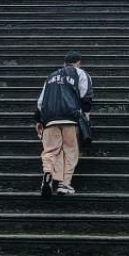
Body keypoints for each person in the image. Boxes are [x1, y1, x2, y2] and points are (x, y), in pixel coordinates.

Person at [34, 50, 94, 197]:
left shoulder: (50, 77)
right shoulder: (80, 73)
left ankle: (48, 173)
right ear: (78, 62)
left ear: (64, 63)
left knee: (50, 151)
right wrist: (86, 116)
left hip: (50, 118)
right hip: (70, 117)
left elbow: (41, 101)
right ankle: (64, 185)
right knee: (70, 151)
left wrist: (38, 120)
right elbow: (86, 96)